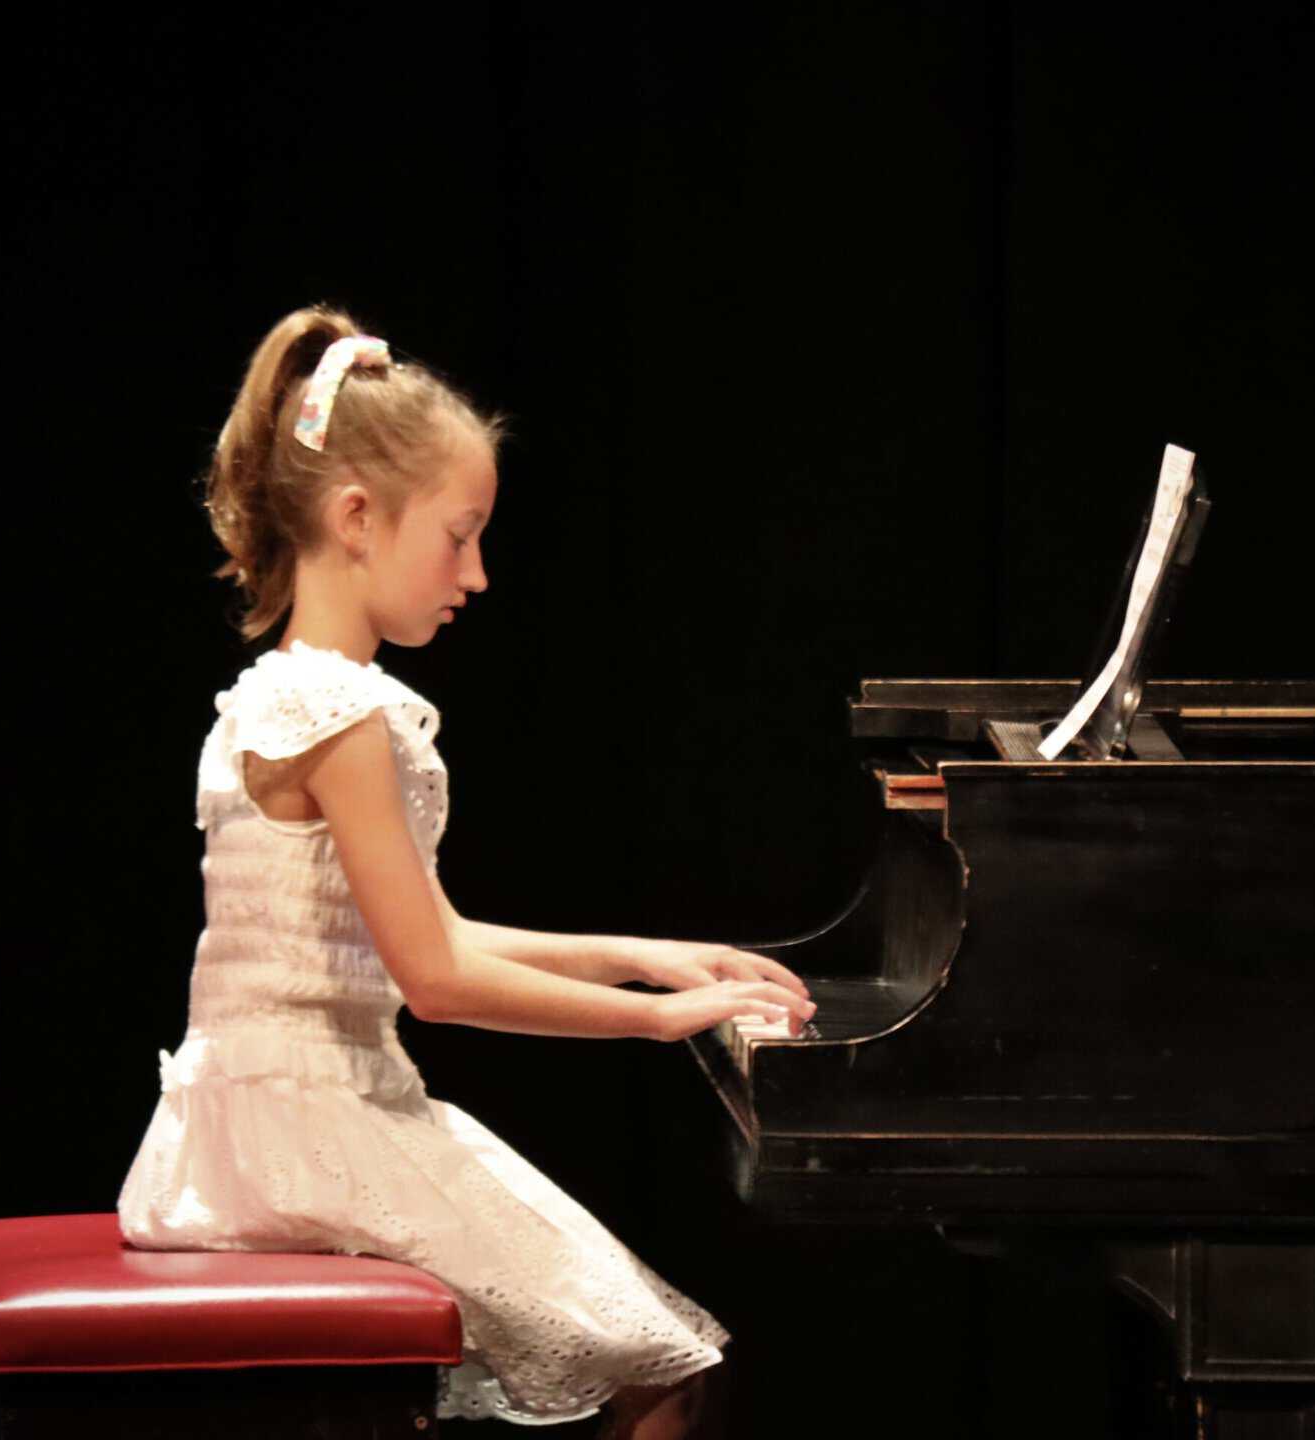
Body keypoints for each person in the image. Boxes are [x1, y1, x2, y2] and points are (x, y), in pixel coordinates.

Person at [118, 305, 817, 1436]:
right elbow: (436, 981)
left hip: (247, 1125)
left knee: (648, 1354)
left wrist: (650, 957)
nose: (478, 574)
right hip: (307, 1135)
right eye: (459, 536)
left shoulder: (279, 694)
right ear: (356, 517)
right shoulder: (341, 717)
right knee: (667, 1365)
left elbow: (430, 928)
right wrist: (662, 1020)